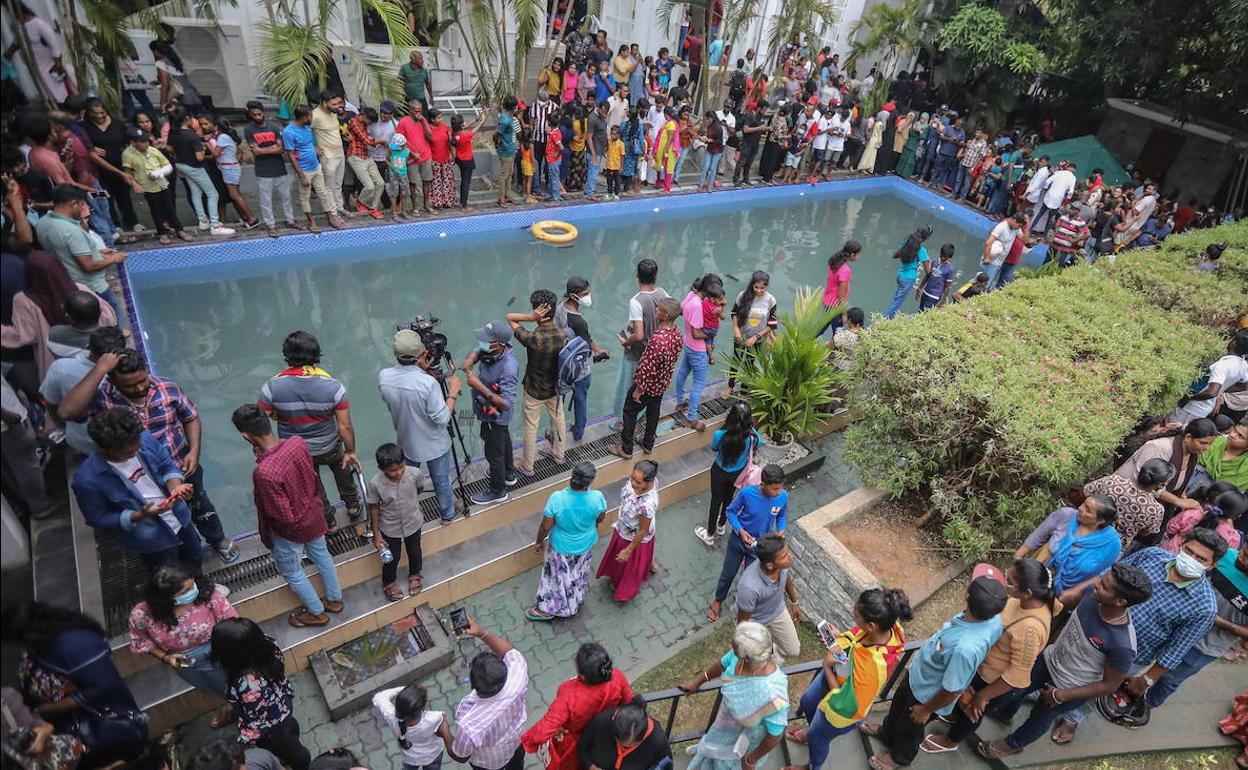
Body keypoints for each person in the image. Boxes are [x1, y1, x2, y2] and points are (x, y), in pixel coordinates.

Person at [58, 347, 237, 563]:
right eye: (130, 385)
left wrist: (194, 451)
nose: (140, 388)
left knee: (200, 504)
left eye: (143, 380)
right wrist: (100, 369)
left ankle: (217, 539)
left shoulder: (167, 388)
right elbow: (67, 411)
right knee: (164, 541)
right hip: (142, 482)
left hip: (179, 464)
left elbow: (190, 417)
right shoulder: (102, 398)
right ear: (113, 382)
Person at [974, 562, 1154, 759]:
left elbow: (1108, 686)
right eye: (1102, 579)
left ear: (1120, 602)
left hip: (1069, 687)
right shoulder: (1092, 596)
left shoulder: (1122, 645)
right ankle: (1004, 714)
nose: (1097, 584)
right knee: (1016, 688)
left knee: (1041, 716)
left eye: (1104, 586)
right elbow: (1062, 605)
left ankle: (1013, 744)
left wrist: (1061, 695)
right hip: (1049, 660)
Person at [1056, 529, 1223, 740]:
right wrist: (1077, 592)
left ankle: (1072, 718)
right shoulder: (1152, 555)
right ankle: (1049, 692)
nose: (1191, 559)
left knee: (1097, 687)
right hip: (1095, 626)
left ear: (1212, 565)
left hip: (1131, 655)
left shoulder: (1204, 607)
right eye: (1189, 551)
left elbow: (1175, 650)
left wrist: (1147, 679)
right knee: (1067, 660)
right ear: (1182, 545)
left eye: (1201, 558)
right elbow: (1111, 576)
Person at [861, 567, 1007, 769]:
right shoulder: (992, 619)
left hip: (927, 695)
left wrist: (926, 710)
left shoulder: (965, 648)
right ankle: (887, 732)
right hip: (919, 676)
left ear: (966, 596)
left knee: (910, 729)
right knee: (897, 710)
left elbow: (952, 689)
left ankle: (900, 757)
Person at [921, 561, 1058, 754]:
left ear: (1027, 593)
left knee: (973, 712)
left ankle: (951, 741)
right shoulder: (1024, 600)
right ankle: (955, 713)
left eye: (1009, 581)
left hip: (992, 682)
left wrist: (983, 696)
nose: (1004, 582)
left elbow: (1017, 675)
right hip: (983, 668)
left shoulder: (1030, 630)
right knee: (965, 700)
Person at [231, 403, 344, 629]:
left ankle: (316, 612)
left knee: (293, 573)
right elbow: (313, 479)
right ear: (268, 421)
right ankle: (334, 599)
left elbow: (282, 517)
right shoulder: (297, 443)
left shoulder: (264, 473)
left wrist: (274, 539)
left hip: (292, 531)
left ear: (246, 436)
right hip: (314, 515)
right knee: (322, 556)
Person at [782, 588, 912, 770]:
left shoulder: (872, 668)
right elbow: (857, 641)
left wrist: (827, 666)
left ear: (871, 626)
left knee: (818, 740)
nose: (852, 613)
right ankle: (813, 731)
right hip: (839, 675)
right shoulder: (883, 625)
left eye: (856, 614)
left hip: (843, 708)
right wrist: (839, 636)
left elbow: (847, 702)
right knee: (807, 702)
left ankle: (812, 765)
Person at [1, 602, 139, 768]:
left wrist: (53, 708)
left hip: (94, 723)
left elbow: (104, 685)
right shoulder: (41, 642)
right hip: (61, 722)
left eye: (18, 639)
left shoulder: (76, 645)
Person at [74, 407, 201, 573]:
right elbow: (97, 518)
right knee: (169, 576)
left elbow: (167, 465)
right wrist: (138, 515)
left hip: (180, 518)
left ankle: (201, 583)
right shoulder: (87, 480)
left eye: (137, 443)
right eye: (128, 451)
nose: (136, 450)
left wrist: (175, 488)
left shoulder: (144, 438)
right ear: (104, 448)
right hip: (151, 539)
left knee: (195, 556)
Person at [259, 330, 362, 527]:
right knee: (342, 467)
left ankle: (329, 521)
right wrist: (351, 451)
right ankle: (353, 506)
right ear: (316, 354)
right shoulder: (334, 387)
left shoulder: (271, 387)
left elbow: (260, 421)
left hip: (295, 452)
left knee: (312, 484)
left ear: (287, 355)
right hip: (329, 445)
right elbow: (345, 426)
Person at [127, 565, 237, 728]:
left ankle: (239, 711)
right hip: (184, 663)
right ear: (165, 597)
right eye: (185, 591)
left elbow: (232, 622)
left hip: (218, 651)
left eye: (192, 585)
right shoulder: (142, 614)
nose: (193, 591)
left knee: (231, 687)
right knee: (212, 688)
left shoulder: (208, 596)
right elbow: (140, 639)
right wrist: (165, 657)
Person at [1145, 542, 1248, 710]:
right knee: (1146, 659)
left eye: (1247, 557)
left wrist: (1224, 624)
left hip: (1205, 646)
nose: (1241, 558)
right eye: (1243, 551)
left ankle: (1146, 705)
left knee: (1169, 679)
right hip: (1176, 625)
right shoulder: (1226, 556)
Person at [680, 621, 789, 770]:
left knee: (727, 762)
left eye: (735, 646)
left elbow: (775, 735)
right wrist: (697, 682)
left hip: (746, 736)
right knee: (715, 741)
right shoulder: (739, 657)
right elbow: (722, 664)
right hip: (725, 722)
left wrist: (751, 759)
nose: (731, 644)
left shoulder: (773, 694)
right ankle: (706, 752)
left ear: (748, 658)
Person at [378, 329, 461, 522]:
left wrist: (421, 370)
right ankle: (448, 513)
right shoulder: (428, 384)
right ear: (423, 353)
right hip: (435, 444)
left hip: (407, 442)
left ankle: (410, 515)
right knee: (441, 481)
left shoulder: (384, 377)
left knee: (406, 483)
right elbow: (442, 418)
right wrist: (452, 393)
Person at [211, 618, 310, 770]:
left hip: (271, 727)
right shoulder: (269, 645)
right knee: (291, 730)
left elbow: (255, 721)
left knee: (296, 754)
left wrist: (243, 742)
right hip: (282, 706)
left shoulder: (248, 687)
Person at [2, 252, 117, 380]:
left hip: (56, 364)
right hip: (95, 358)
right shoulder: (80, 289)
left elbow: (25, 336)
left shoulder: (24, 301)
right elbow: (108, 317)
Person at [521, 643, 635, 770]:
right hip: (606, 736)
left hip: (576, 744)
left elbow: (544, 728)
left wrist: (525, 742)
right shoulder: (618, 677)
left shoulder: (569, 695)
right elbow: (629, 702)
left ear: (582, 676)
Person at [707, 464, 789, 622]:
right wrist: (740, 531)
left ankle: (743, 605)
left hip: (760, 546)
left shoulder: (783, 496)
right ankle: (718, 599)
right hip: (738, 541)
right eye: (775, 489)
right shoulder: (746, 493)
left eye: (780, 487)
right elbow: (730, 511)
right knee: (728, 573)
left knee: (749, 578)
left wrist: (781, 529)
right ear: (763, 484)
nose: (778, 492)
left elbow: (782, 515)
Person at [528, 461, 607, 621]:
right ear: (590, 481)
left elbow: (545, 526)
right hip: (585, 544)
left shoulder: (557, 498)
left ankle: (548, 609)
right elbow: (600, 518)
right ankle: (574, 600)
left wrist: (539, 541)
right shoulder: (597, 498)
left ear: (572, 476)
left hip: (560, 547)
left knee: (556, 578)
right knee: (578, 573)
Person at [448, 618, 528, 770]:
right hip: (516, 745)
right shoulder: (517, 674)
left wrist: (444, 731)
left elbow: (460, 755)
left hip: (489, 764)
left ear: (473, 685)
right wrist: (481, 632)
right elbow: (509, 651)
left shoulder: (469, 724)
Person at [608, 297, 683, 460]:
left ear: (665, 316)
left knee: (629, 411)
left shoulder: (658, 339)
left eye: (659, 309)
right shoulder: (677, 334)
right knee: (653, 411)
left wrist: (639, 389)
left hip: (647, 385)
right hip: (662, 383)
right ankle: (648, 443)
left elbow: (648, 367)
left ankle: (626, 448)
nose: (656, 310)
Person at [34, 186, 125, 318]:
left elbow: (64, 250)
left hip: (67, 281)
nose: (83, 209)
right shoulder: (71, 231)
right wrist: (114, 258)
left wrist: (97, 251)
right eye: (82, 205)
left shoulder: (43, 222)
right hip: (91, 286)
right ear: (73, 203)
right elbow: (88, 265)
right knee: (112, 313)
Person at [507, 289, 567, 476]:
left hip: (534, 390)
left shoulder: (532, 338)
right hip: (555, 388)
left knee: (531, 427)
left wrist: (530, 318)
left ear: (536, 311)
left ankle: (528, 465)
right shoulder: (562, 334)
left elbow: (510, 318)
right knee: (559, 419)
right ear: (555, 312)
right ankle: (559, 454)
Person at [462, 321, 519, 506]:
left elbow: (507, 404)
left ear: (499, 344)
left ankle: (498, 490)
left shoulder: (508, 367)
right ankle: (508, 474)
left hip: (495, 417)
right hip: (497, 420)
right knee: (504, 441)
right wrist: (470, 360)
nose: (482, 343)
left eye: (487, 341)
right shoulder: (491, 350)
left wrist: (478, 385)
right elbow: (478, 350)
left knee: (494, 453)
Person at [1016, 495, 1121, 593]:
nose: (1080, 508)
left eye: (1087, 509)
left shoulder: (1111, 544)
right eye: (1084, 503)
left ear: (1100, 521)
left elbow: (1103, 574)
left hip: (1070, 592)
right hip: (1036, 574)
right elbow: (1038, 536)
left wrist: (1074, 594)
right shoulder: (1065, 515)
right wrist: (1018, 557)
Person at [1114, 419, 1218, 514]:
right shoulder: (1160, 447)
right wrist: (1178, 501)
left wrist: (1185, 499)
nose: (1206, 448)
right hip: (1124, 496)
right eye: (1203, 443)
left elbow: (1180, 482)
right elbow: (1144, 480)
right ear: (1188, 437)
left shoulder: (1193, 455)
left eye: (1210, 444)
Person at [367, 443, 426, 601]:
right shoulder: (375, 484)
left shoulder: (415, 474)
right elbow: (374, 508)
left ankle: (415, 574)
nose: (399, 472)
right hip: (390, 526)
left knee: (415, 551)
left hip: (413, 521)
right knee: (392, 557)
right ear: (382, 469)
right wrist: (377, 535)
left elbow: (419, 489)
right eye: (393, 470)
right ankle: (389, 582)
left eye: (401, 467)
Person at [698, 402, 762, 546]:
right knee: (729, 498)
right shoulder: (751, 436)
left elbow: (714, 448)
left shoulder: (720, 434)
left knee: (715, 501)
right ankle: (721, 525)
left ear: (730, 417)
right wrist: (750, 428)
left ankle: (710, 534)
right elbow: (760, 442)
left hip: (719, 471)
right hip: (738, 473)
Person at [614, 259, 668, 424]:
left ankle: (627, 421)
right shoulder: (663, 294)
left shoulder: (636, 301)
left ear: (637, 275)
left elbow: (638, 335)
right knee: (649, 384)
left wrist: (625, 342)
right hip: (657, 351)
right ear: (656, 275)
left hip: (638, 353)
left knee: (630, 385)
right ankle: (643, 416)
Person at [597, 460, 660, 602]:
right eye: (632, 478)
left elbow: (642, 531)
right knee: (642, 557)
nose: (632, 483)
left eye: (638, 482)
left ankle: (624, 588)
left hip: (632, 538)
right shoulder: (648, 482)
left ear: (649, 482)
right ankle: (648, 564)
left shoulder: (647, 505)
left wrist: (628, 550)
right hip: (624, 527)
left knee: (629, 564)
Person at [555, 277, 608, 443]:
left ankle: (556, 432)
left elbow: (586, 337)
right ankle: (578, 433)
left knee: (558, 403)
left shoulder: (559, 309)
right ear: (573, 295)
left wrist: (597, 348)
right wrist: (598, 353)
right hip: (579, 369)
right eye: (585, 294)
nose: (588, 297)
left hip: (561, 365)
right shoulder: (579, 321)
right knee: (581, 401)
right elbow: (585, 344)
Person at [734, 534, 802, 659]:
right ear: (770, 565)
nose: (791, 557)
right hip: (755, 620)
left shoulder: (781, 567)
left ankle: (770, 648)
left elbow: (786, 577)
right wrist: (741, 641)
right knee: (755, 657)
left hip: (776, 611)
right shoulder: (749, 588)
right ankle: (766, 652)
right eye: (784, 556)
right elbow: (743, 623)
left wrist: (794, 602)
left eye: (788, 552)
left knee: (793, 651)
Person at [1084, 458, 1174, 550]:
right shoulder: (1156, 510)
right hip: (1112, 547)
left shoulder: (1112, 482)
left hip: (1087, 530)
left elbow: (1087, 492)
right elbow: (1146, 533)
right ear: (1161, 485)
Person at [169, 109, 235, 236]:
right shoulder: (192, 136)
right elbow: (199, 157)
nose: (195, 121)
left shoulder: (173, 133)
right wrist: (203, 148)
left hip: (181, 165)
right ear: (187, 118)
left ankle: (203, 221)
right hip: (195, 167)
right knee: (213, 194)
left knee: (196, 192)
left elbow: (170, 149)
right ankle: (215, 225)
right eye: (193, 118)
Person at [121, 127, 189, 245]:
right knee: (156, 210)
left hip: (162, 184)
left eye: (146, 141)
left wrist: (158, 173)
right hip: (148, 187)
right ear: (133, 142)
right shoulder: (127, 154)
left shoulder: (153, 150)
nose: (146, 143)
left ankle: (179, 230)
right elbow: (127, 173)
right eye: (142, 142)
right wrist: (134, 184)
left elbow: (168, 166)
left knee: (170, 208)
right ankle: (162, 233)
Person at [282, 106, 343, 232]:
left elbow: (307, 145)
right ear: (305, 117)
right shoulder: (289, 132)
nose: (312, 118)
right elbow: (290, 155)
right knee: (305, 197)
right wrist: (301, 176)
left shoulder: (307, 128)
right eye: (310, 116)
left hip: (316, 166)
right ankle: (311, 221)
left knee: (323, 193)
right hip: (304, 170)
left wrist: (314, 150)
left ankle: (330, 217)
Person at [243, 101, 300, 237]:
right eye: (254, 115)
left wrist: (263, 150)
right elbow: (256, 151)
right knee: (266, 200)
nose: (257, 117)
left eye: (259, 114)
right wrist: (272, 148)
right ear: (250, 115)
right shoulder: (249, 129)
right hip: (263, 170)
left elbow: (281, 149)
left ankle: (290, 220)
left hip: (279, 167)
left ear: (263, 112)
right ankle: (270, 225)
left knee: (286, 196)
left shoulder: (273, 127)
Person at [1171, 331, 1248, 426]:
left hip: (1192, 407)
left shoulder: (1223, 365)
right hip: (1204, 408)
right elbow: (1244, 386)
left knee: (1171, 427)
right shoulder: (1242, 365)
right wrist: (1222, 389)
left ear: (1234, 343)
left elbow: (1212, 392)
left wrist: (1190, 397)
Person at [673, 274, 719, 432]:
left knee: (682, 373)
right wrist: (712, 334)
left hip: (688, 344)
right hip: (698, 349)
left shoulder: (691, 295)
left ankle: (680, 402)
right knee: (698, 384)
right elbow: (697, 333)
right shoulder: (698, 306)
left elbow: (681, 311)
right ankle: (692, 418)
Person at [373, 683, 452, 770]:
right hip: (432, 755)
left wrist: (404, 690)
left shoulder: (391, 717)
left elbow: (378, 697)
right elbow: (442, 721)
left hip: (410, 758)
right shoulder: (434, 718)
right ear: (423, 705)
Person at [200, 114, 258, 229]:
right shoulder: (220, 137)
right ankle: (247, 218)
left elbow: (216, 153)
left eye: (206, 124)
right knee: (235, 195)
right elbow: (215, 155)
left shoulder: (222, 137)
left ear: (216, 126)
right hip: (227, 168)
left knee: (234, 195)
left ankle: (252, 218)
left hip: (229, 169)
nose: (204, 127)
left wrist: (207, 142)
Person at [727, 271, 778, 390]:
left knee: (749, 363)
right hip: (741, 336)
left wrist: (756, 337)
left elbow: (772, 324)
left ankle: (744, 390)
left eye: (762, 288)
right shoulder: (742, 296)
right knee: (736, 360)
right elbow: (734, 313)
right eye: (756, 287)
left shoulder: (770, 300)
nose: (759, 291)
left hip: (757, 340)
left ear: (767, 286)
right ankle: (730, 386)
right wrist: (736, 329)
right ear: (752, 284)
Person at [1162, 489, 1246, 554]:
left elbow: (1170, 528)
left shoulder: (1193, 513)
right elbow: (1224, 558)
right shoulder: (1233, 538)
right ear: (1238, 515)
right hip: (1195, 568)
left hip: (1169, 551)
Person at [309, 92, 348, 218]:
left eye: (338, 103)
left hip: (340, 153)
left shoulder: (333, 113)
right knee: (329, 186)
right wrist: (312, 148)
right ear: (324, 103)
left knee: (338, 184)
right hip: (328, 157)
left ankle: (339, 207)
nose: (338, 106)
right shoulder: (315, 115)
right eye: (334, 104)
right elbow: (303, 129)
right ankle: (333, 213)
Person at [884, 225, 932, 319]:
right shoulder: (921, 250)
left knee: (896, 298)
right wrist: (929, 261)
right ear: (926, 238)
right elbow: (928, 271)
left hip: (900, 275)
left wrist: (906, 251)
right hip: (909, 278)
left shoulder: (906, 244)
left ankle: (889, 316)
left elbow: (895, 255)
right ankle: (885, 319)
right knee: (897, 301)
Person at [344, 107, 384, 219]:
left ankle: (373, 208)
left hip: (366, 156)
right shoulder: (354, 122)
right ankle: (360, 201)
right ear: (365, 117)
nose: (370, 124)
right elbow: (366, 140)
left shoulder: (364, 123)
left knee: (380, 183)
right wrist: (381, 142)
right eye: (370, 122)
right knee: (369, 186)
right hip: (355, 157)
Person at [820, 240, 861, 337]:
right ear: (852, 255)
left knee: (821, 326)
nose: (859, 256)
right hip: (835, 306)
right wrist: (844, 313)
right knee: (838, 333)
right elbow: (841, 295)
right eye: (858, 254)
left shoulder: (834, 262)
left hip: (827, 300)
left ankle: (806, 340)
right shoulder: (845, 270)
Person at [1196, 419, 1247, 489]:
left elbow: (1231, 489)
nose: (1232, 435)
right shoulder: (1216, 440)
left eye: (1240, 436)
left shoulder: (1245, 468)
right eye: (1234, 430)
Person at [981, 212, 1026, 290]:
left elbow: (1023, 239)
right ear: (1014, 221)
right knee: (985, 285)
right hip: (991, 262)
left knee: (988, 284)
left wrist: (1028, 229)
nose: (1019, 228)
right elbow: (988, 243)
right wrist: (986, 258)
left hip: (998, 262)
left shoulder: (1016, 228)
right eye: (1019, 226)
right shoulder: (1001, 227)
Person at [914, 244, 955, 310]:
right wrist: (920, 288)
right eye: (942, 255)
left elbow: (947, 287)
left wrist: (943, 300)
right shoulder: (934, 262)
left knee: (926, 312)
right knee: (920, 310)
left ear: (950, 257)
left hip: (934, 296)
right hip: (925, 292)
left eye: (945, 257)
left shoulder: (950, 269)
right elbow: (927, 276)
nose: (942, 258)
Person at [495, 96, 519, 206]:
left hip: (511, 148)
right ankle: (501, 198)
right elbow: (496, 134)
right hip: (505, 150)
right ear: (514, 107)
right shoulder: (505, 120)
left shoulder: (509, 117)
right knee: (504, 175)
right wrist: (498, 145)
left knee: (510, 173)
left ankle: (507, 194)